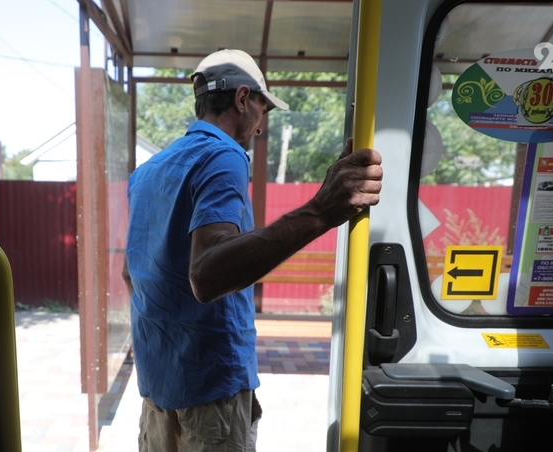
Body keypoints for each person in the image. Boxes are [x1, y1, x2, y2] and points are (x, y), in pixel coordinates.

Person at [122, 48, 382, 451]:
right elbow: (206, 275)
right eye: (264, 109)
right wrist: (319, 212)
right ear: (243, 99)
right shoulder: (223, 154)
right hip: (210, 391)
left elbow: (131, 274)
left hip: (157, 391)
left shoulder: (148, 171)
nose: (261, 127)